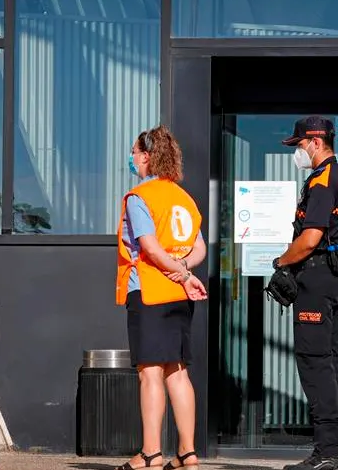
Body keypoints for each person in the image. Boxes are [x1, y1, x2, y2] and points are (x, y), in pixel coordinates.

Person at [114, 125, 208, 470]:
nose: (132, 157)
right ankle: (187, 453)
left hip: (150, 291)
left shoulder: (141, 197)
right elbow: (199, 247)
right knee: (178, 372)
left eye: (135, 152)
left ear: (147, 156)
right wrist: (183, 271)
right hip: (178, 298)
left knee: (150, 372)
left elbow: (149, 248)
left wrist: (178, 272)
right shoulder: (183, 198)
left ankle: (150, 453)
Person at [272, 116, 338, 470]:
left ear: (316, 142)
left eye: (300, 145)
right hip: (332, 276)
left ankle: (327, 451)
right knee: (330, 358)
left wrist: (281, 262)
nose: (298, 151)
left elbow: (310, 239)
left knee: (314, 361)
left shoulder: (323, 181)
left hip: (318, 275)